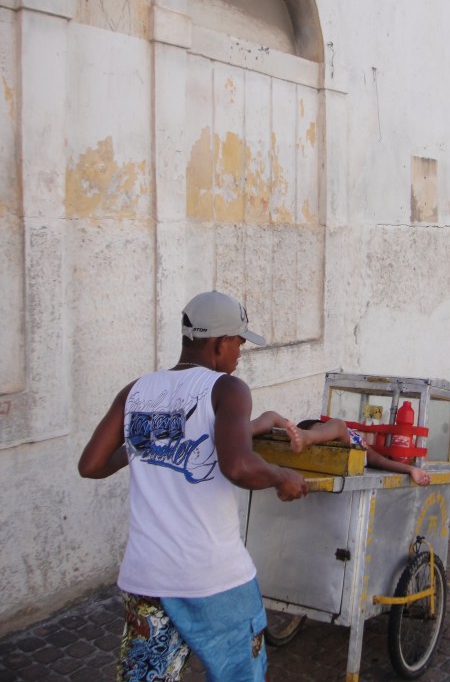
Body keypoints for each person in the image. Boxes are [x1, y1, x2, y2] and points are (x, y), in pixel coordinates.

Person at [78, 290, 309, 682]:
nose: (240, 353)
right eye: (239, 342)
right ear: (219, 342)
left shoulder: (136, 391)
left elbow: (92, 464)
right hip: (213, 578)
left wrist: (143, 446)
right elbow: (238, 466)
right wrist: (281, 476)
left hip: (146, 578)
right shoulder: (227, 389)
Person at [284, 418, 432, 486]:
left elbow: (380, 461)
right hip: (336, 455)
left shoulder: (355, 440)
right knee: (339, 424)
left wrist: (411, 469)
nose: (320, 429)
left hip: (348, 452)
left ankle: (306, 436)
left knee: (338, 424)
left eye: (319, 426)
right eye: (314, 429)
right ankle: (305, 436)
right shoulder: (334, 434)